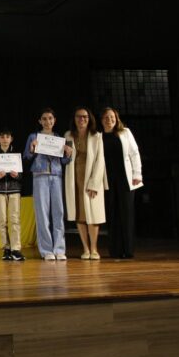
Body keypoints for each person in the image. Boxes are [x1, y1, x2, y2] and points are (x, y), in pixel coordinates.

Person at [24, 108, 72, 261]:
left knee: (58, 212)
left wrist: (68, 154)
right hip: (40, 176)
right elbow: (27, 156)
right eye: (44, 119)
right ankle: (46, 250)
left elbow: (63, 161)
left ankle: (59, 249)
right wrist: (32, 148)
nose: (47, 121)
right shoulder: (33, 136)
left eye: (50, 118)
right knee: (42, 214)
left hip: (56, 176)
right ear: (40, 121)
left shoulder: (59, 137)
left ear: (54, 120)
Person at [100, 107, 143, 259]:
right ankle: (115, 250)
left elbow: (134, 153)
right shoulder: (98, 137)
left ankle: (128, 249)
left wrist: (137, 174)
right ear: (101, 120)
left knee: (127, 214)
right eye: (106, 117)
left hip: (126, 179)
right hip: (108, 181)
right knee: (112, 214)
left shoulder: (125, 132)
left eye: (112, 117)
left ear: (116, 118)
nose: (109, 120)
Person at [64, 107, 106, 260]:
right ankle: (86, 248)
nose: (82, 120)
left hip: (91, 178)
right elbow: (65, 158)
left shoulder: (96, 136)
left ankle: (94, 248)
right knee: (80, 214)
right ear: (74, 119)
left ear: (89, 119)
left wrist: (94, 183)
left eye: (85, 117)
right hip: (74, 178)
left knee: (93, 215)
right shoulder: (68, 135)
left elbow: (100, 161)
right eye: (78, 117)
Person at [0, 128, 24, 261]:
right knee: (2, 220)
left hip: (14, 190)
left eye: (7, 137)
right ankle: (6, 248)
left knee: (15, 220)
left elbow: (22, 175)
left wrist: (17, 175)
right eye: (2, 137)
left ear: (11, 139)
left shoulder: (16, 154)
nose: (5, 139)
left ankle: (16, 249)